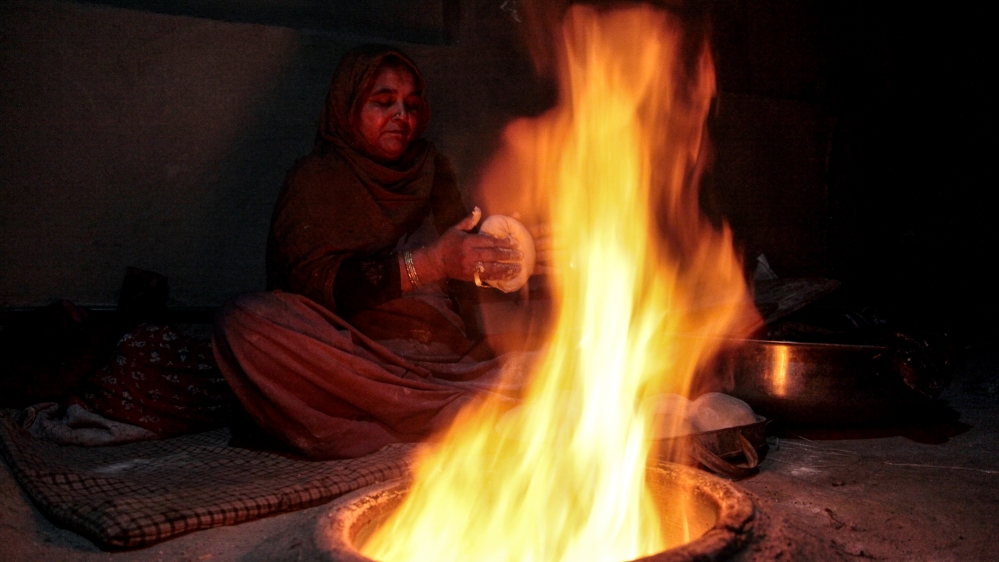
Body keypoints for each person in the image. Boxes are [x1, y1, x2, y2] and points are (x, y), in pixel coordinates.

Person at [212, 45, 532, 459]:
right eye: (384, 102)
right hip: (356, 361)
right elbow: (311, 286)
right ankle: (452, 415)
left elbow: (464, 272)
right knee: (243, 324)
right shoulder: (316, 180)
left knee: (584, 352)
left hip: (445, 362)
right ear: (348, 108)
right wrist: (432, 263)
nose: (403, 115)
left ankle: (426, 412)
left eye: (412, 105)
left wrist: (508, 261)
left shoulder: (432, 169)